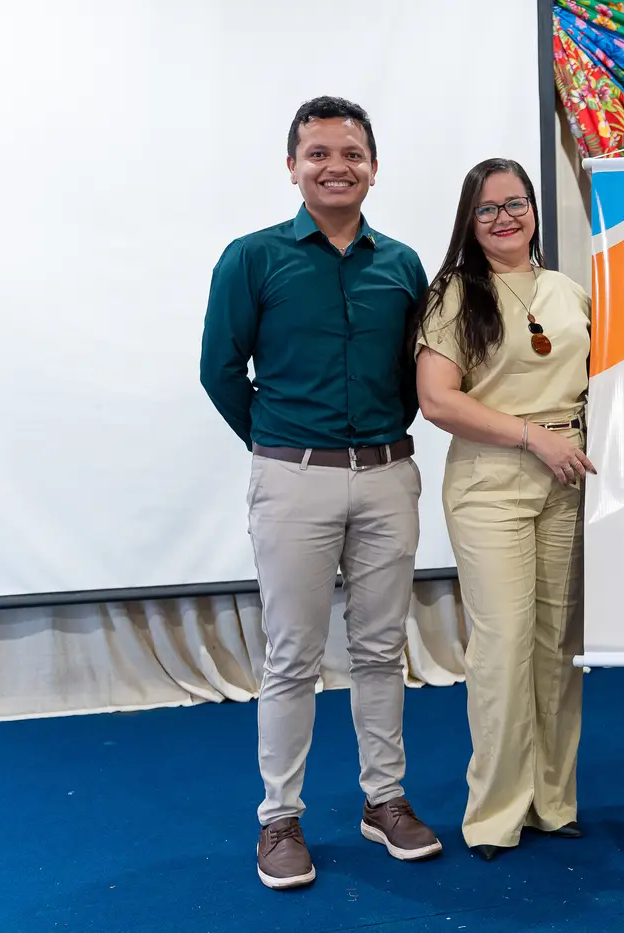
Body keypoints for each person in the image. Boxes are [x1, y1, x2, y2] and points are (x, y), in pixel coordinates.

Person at [199, 96, 442, 891]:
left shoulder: (401, 264)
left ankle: (385, 800)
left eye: (351, 154)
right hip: (291, 477)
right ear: (293, 166)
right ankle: (279, 816)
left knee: (381, 648)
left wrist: (373, 444)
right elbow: (219, 370)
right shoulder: (252, 258)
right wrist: (279, 444)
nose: (336, 166)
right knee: (292, 654)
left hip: (387, 476)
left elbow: (411, 377)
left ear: (373, 166)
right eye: (319, 154)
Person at [414, 158, 592, 861]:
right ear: (470, 221)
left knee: (557, 646)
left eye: (515, 203)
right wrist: (531, 436)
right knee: (504, 645)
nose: (504, 218)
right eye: (486, 209)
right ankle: (494, 813)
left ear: (534, 210)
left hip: (568, 476)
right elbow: (437, 400)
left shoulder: (568, 290)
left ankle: (552, 801)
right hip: (493, 479)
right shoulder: (455, 294)